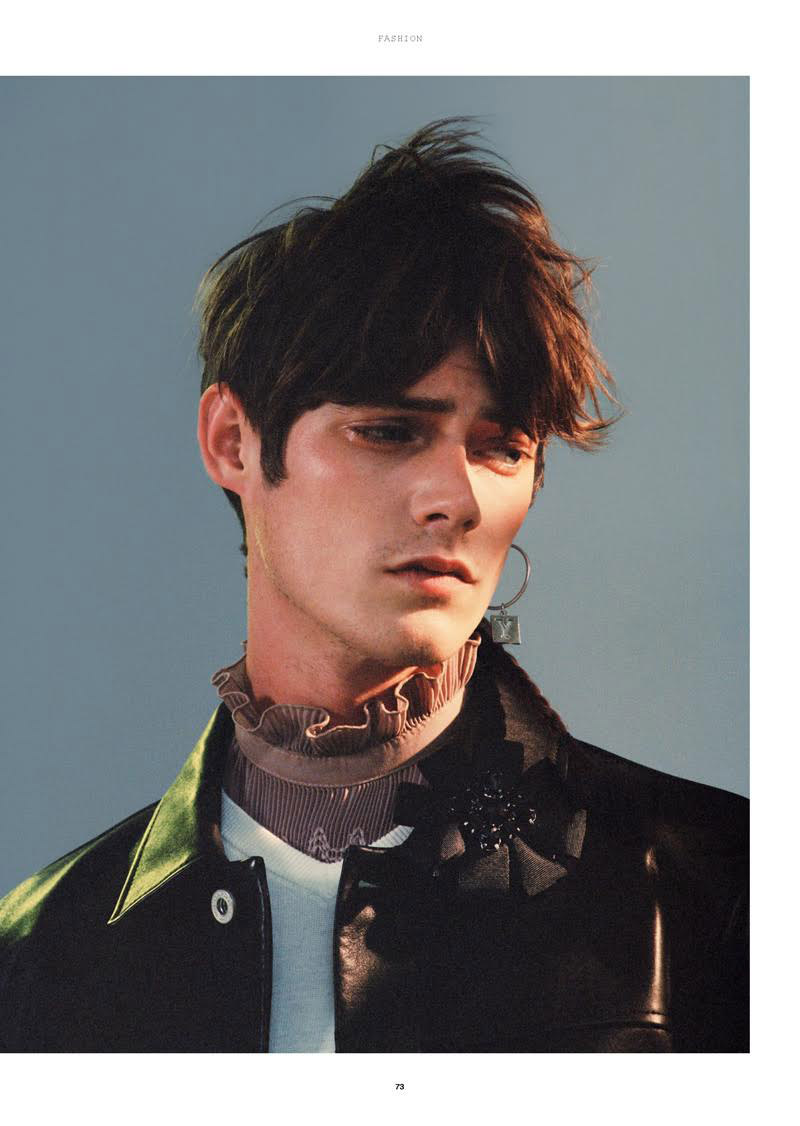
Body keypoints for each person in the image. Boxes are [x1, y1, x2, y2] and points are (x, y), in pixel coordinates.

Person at [0, 119, 748, 1053]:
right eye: (390, 431)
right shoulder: (39, 949)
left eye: (503, 447)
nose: (457, 498)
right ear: (233, 442)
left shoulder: (724, 892)